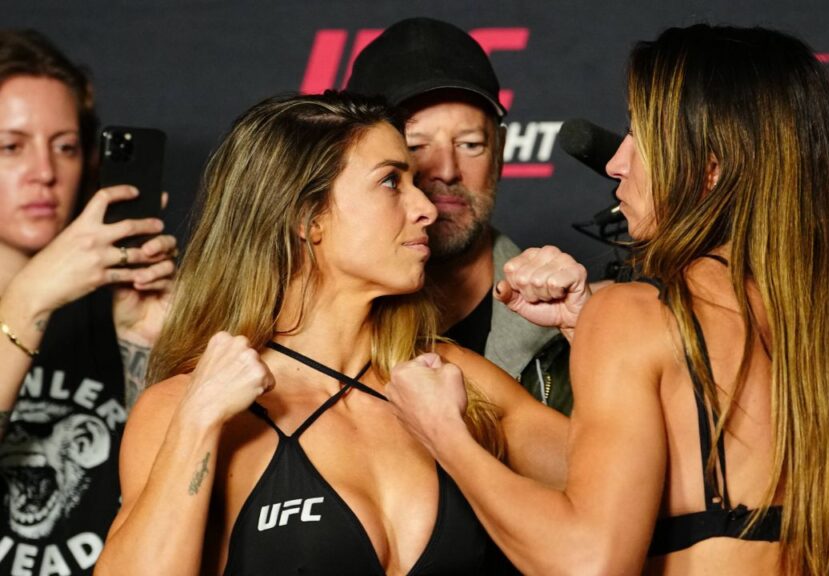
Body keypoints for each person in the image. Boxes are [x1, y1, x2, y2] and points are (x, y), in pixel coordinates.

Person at [389, 24, 829, 575]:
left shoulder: (634, 316)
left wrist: (445, 432)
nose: (615, 162)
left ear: (711, 168)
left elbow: (587, 561)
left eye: (642, 139)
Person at [94, 91, 567, 575]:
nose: (426, 207)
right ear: (307, 218)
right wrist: (198, 422)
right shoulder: (184, 407)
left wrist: (585, 326)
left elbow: (630, 503)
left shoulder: (450, 378)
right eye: (390, 181)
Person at [0, 29, 175, 574]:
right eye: (11, 145)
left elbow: (170, 505)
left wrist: (143, 341)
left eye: (66, 145)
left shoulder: (121, 298)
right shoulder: (27, 306)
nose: (45, 173)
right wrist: (25, 304)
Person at [347, 18, 585, 416]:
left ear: (501, 152)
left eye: (470, 143)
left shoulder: (571, 325)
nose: (446, 170)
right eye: (415, 144)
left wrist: (590, 340)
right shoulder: (301, 333)